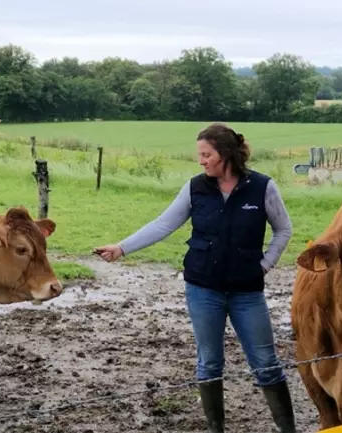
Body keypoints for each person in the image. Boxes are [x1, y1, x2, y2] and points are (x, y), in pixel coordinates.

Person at [94, 122, 296, 433]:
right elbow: (164, 224)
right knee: (210, 363)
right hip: (203, 289)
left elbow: (283, 229)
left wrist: (265, 265)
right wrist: (122, 248)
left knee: (267, 365)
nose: (200, 161)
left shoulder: (262, 187)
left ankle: (288, 430)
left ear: (225, 154)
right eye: (200, 155)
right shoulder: (195, 188)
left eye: (206, 154)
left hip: (247, 292)